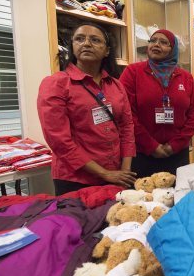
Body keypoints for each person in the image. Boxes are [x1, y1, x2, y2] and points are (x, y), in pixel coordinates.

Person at [37, 22, 137, 195]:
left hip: (116, 175)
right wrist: (105, 174)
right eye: (79, 39)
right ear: (72, 47)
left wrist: (124, 172)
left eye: (95, 40)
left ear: (107, 51)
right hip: (76, 179)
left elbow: (127, 128)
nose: (87, 43)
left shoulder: (116, 85)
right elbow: (59, 141)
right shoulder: (56, 83)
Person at [119, 29, 194, 177]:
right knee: (142, 197)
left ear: (173, 49)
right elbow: (127, 114)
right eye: (153, 40)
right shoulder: (132, 72)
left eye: (164, 42)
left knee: (177, 196)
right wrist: (151, 146)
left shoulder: (186, 78)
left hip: (176, 155)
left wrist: (174, 145)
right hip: (141, 154)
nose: (156, 45)